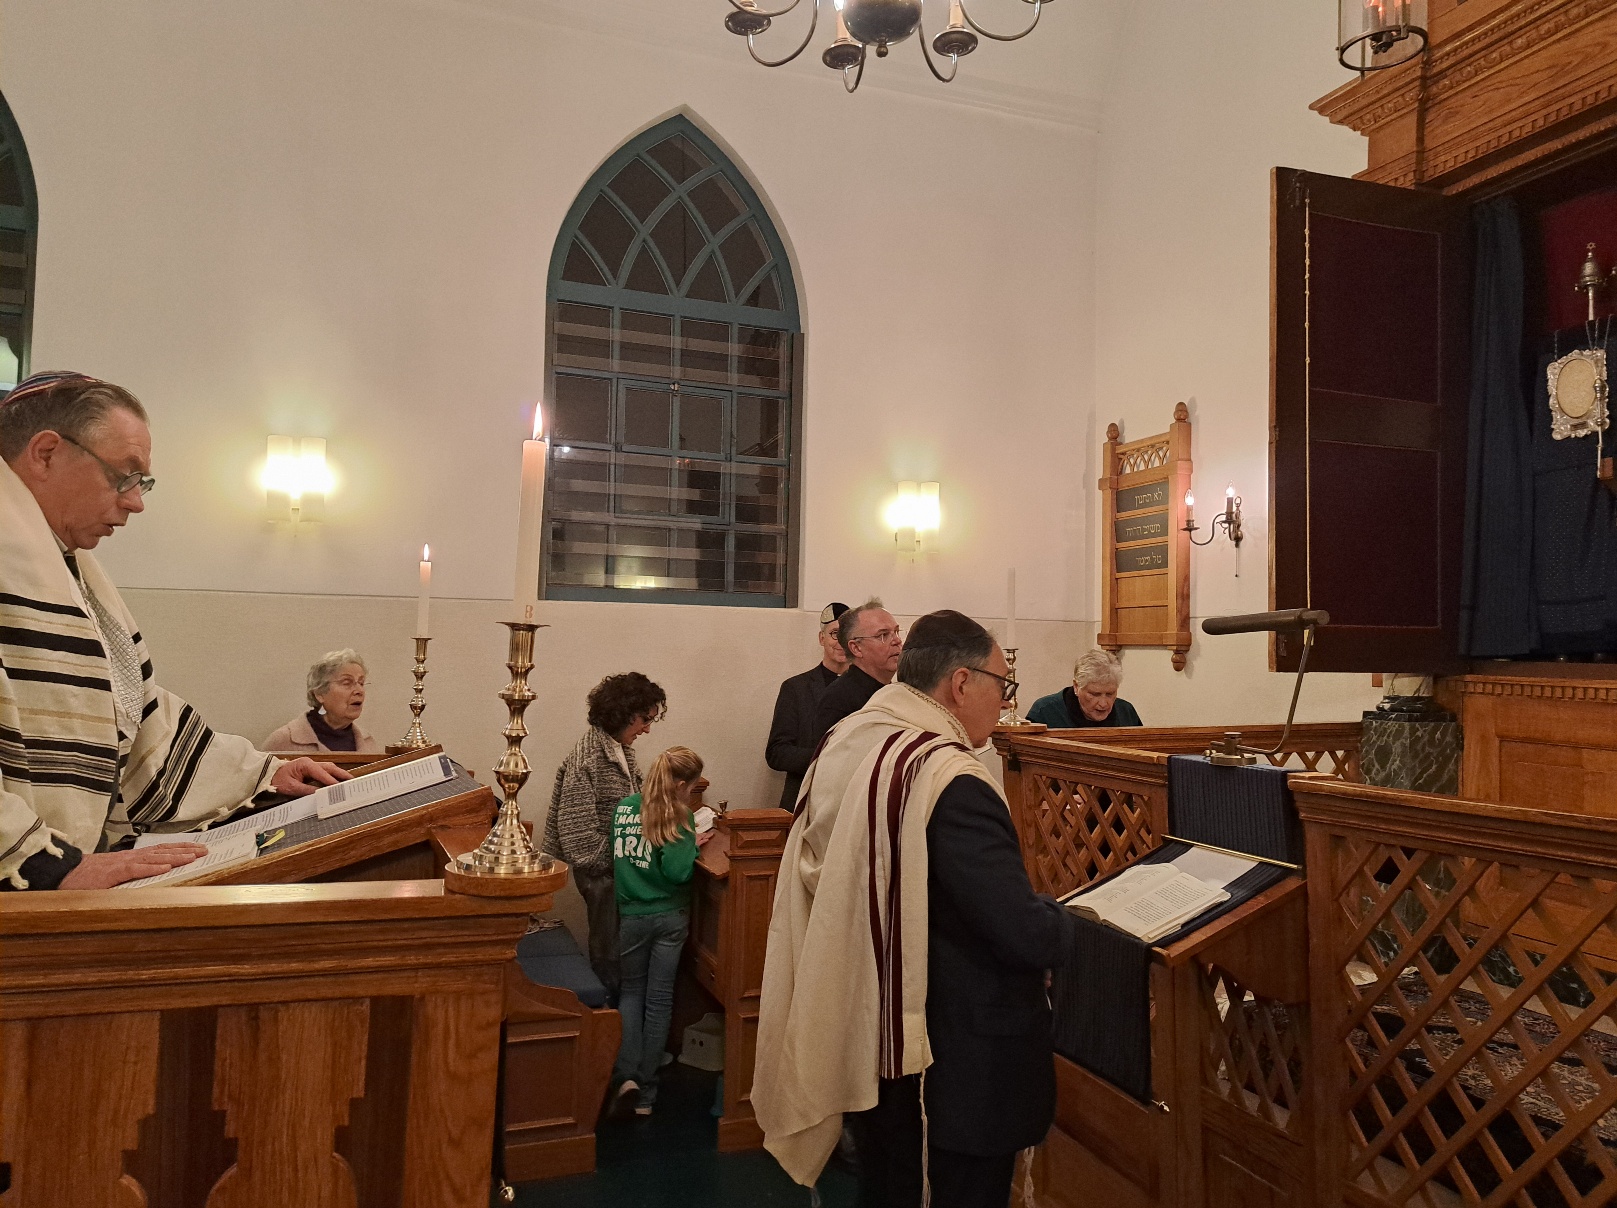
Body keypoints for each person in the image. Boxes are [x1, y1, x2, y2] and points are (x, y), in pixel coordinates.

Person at [754, 610, 1078, 1208]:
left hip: (873, 1029)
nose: (1004, 704)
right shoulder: (949, 779)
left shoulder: (854, 739)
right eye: (1002, 686)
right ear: (961, 683)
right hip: (950, 1058)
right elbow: (1018, 931)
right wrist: (1068, 922)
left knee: (888, 1183)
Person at [0, 372, 348, 891]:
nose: (135, 502)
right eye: (123, 476)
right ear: (46, 453)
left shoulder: (68, 569)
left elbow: (132, 709)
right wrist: (46, 863)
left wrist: (261, 774)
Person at [543, 670, 667, 1001]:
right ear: (623, 712)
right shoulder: (588, 758)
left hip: (617, 870)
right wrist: (626, 859)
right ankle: (611, 1033)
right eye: (644, 719)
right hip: (603, 876)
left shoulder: (616, 748)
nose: (647, 728)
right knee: (610, 957)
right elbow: (579, 840)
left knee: (621, 955)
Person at [610, 744, 714, 1117]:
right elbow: (677, 872)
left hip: (631, 914)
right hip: (669, 917)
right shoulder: (680, 817)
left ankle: (625, 1077)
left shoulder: (623, 808)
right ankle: (648, 1093)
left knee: (631, 994)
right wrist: (691, 849)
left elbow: (622, 857)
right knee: (658, 1000)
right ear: (682, 783)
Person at [765, 601, 849, 811]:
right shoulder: (795, 688)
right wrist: (827, 758)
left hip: (849, 802)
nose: (840, 642)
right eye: (834, 634)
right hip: (806, 800)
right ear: (822, 638)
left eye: (847, 635)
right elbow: (777, 752)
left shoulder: (872, 690)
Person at [808, 599, 901, 753]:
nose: (897, 641)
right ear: (856, 648)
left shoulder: (898, 692)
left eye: (896, 632)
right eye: (883, 635)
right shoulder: (838, 701)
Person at [263, 649, 384, 754]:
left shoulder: (367, 742)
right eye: (347, 683)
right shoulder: (285, 740)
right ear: (320, 693)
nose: (359, 691)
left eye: (361, 683)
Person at [1026, 648, 1144, 729]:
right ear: (1076, 687)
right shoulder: (1045, 712)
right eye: (1095, 694)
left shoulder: (1126, 712)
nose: (1103, 704)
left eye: (1110, 694)